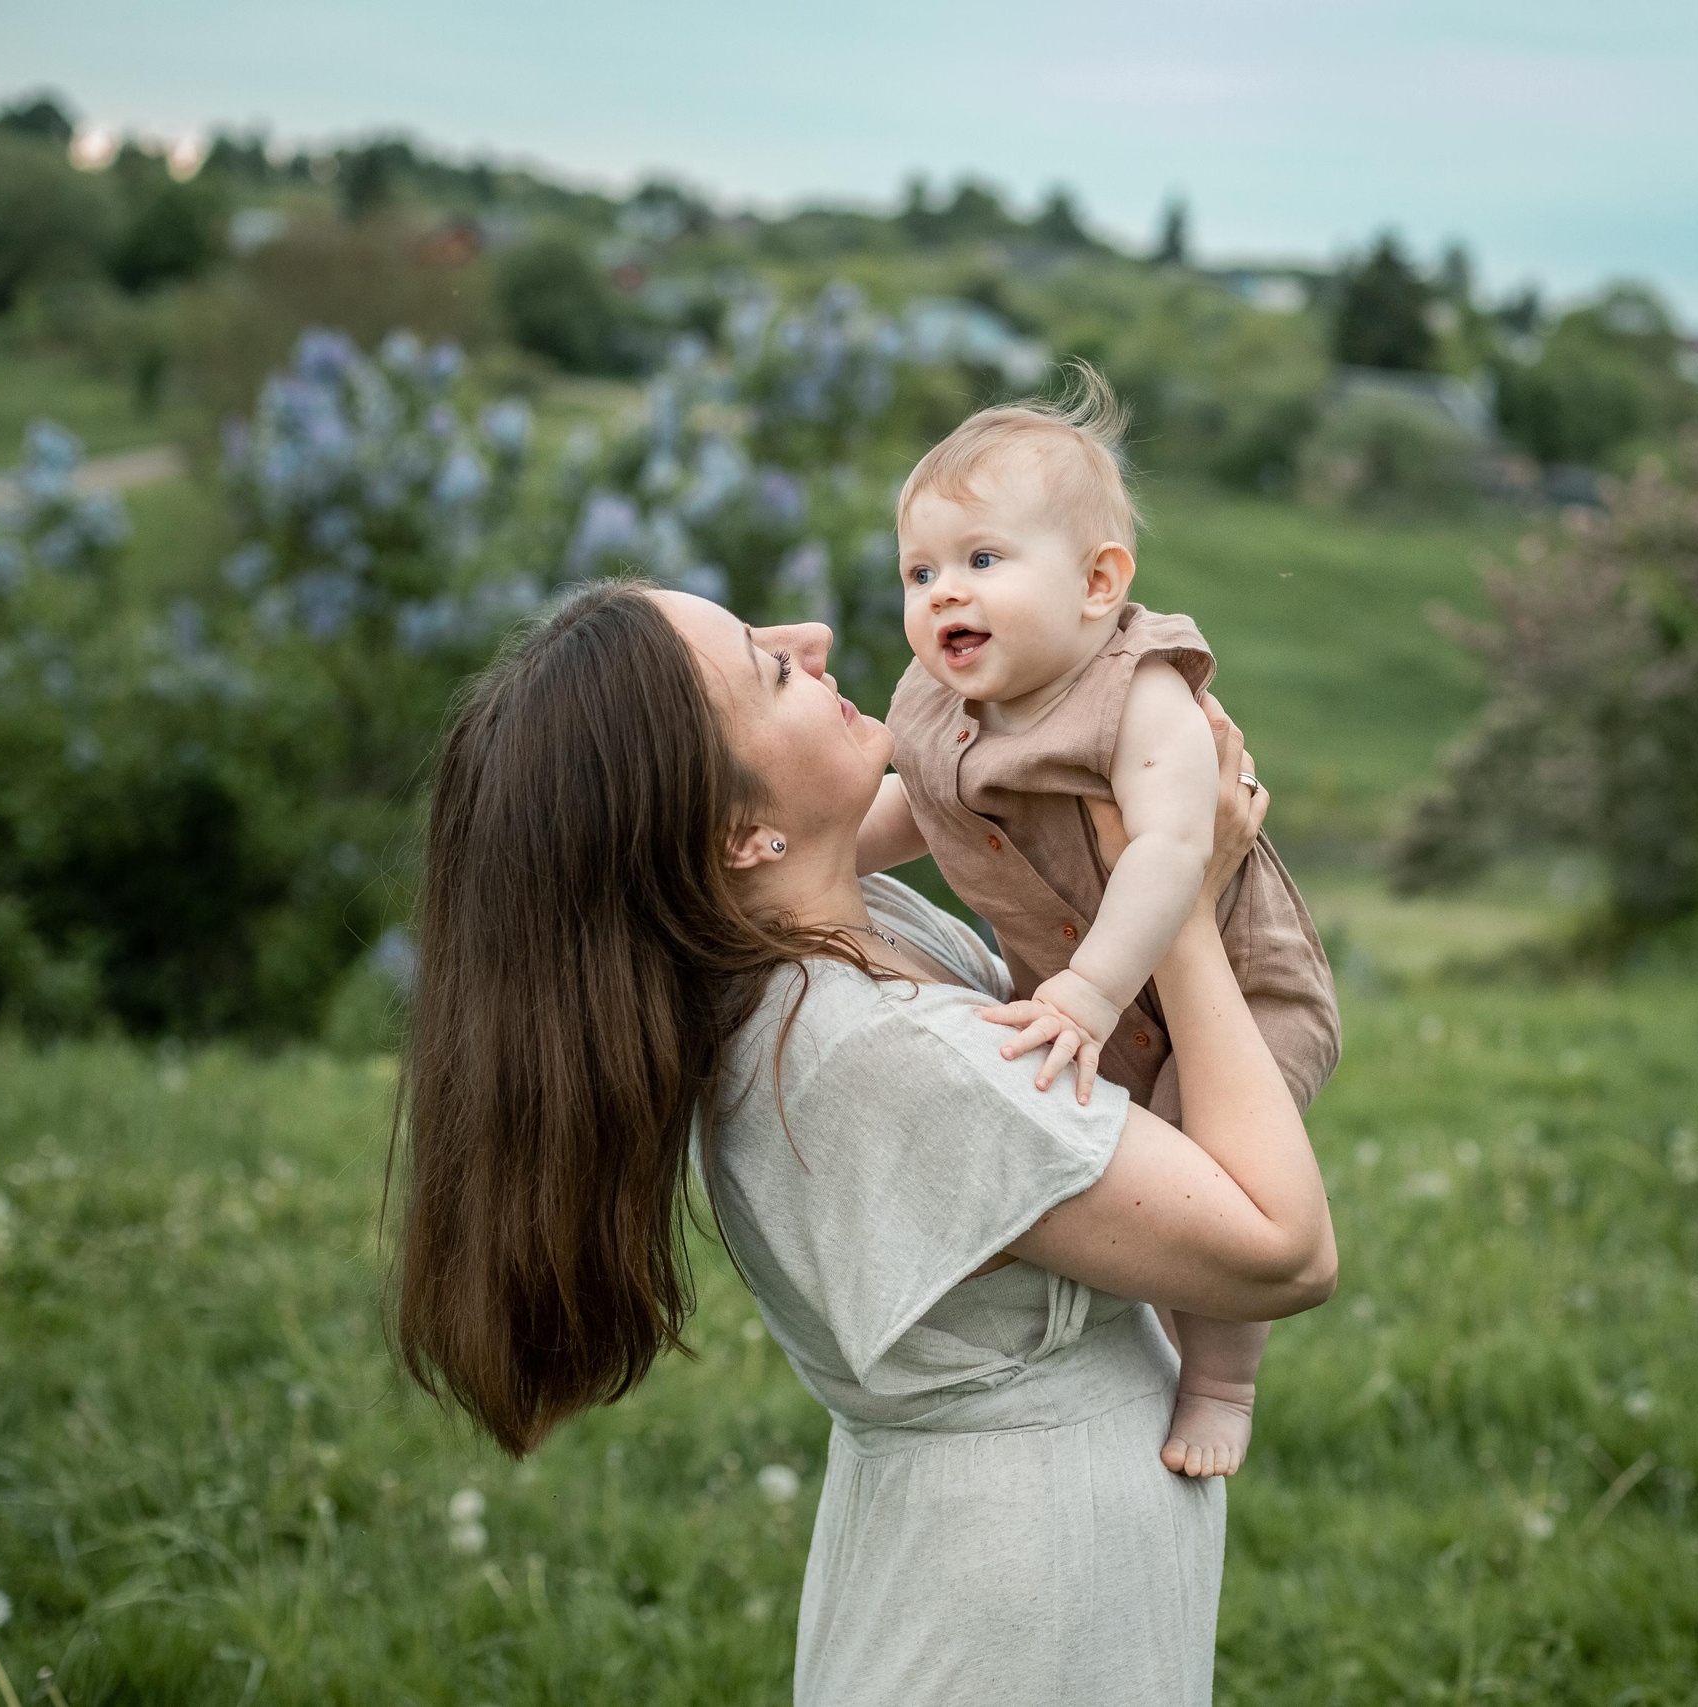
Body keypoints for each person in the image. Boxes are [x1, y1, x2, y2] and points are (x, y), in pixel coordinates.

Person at [387, 581, 1335, 1705]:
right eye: (769, 668)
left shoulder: (858, 933)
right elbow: (1282, 1249)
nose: (816, 640)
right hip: (1015, 1626)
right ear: (744, 835)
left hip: (1036, 1571)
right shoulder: (865, 1054)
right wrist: (1176, 893)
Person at [857, 365, 1341, 1478]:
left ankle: (1221, 1381)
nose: (943, 595)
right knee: (1134, 1179)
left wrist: (1081, 990)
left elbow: (1173, 848)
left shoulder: (1138, 687)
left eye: (982, 561)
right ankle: (1139, 1332)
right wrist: (823, 849)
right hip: (1104, 1001)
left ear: (1096, 582)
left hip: (1236, 989)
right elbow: (914, 812)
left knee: (1207, 1167)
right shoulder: (941, 705)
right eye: (919, 571)